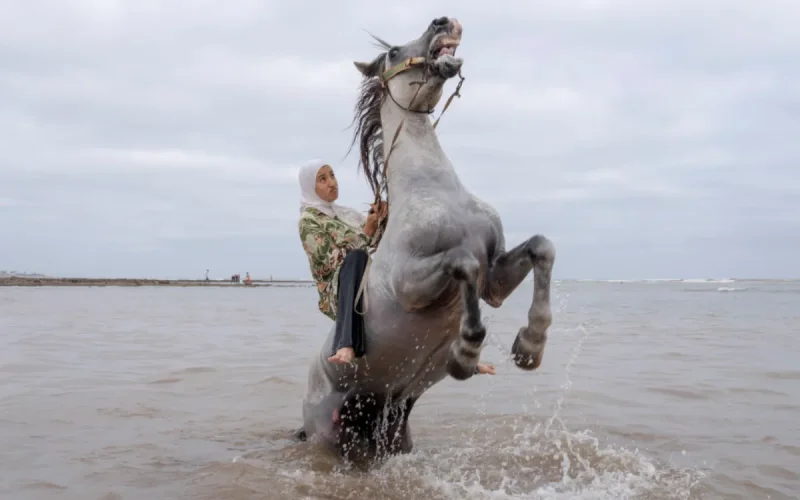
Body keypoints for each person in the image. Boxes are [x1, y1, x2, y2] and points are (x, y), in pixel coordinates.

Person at [297, 159, 495, 375]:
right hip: (338, 287)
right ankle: (345, 343)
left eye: (332, 175)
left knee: (416, 280)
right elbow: (330, 261)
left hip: (366, 273)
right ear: (310, 187)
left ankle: (463, 358)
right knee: (355, 257)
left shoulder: (345, 214)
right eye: (322, 179)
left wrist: (382, 219)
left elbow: (376, 243)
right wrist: (367, 231)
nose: (331, 183)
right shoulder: (308, 220)